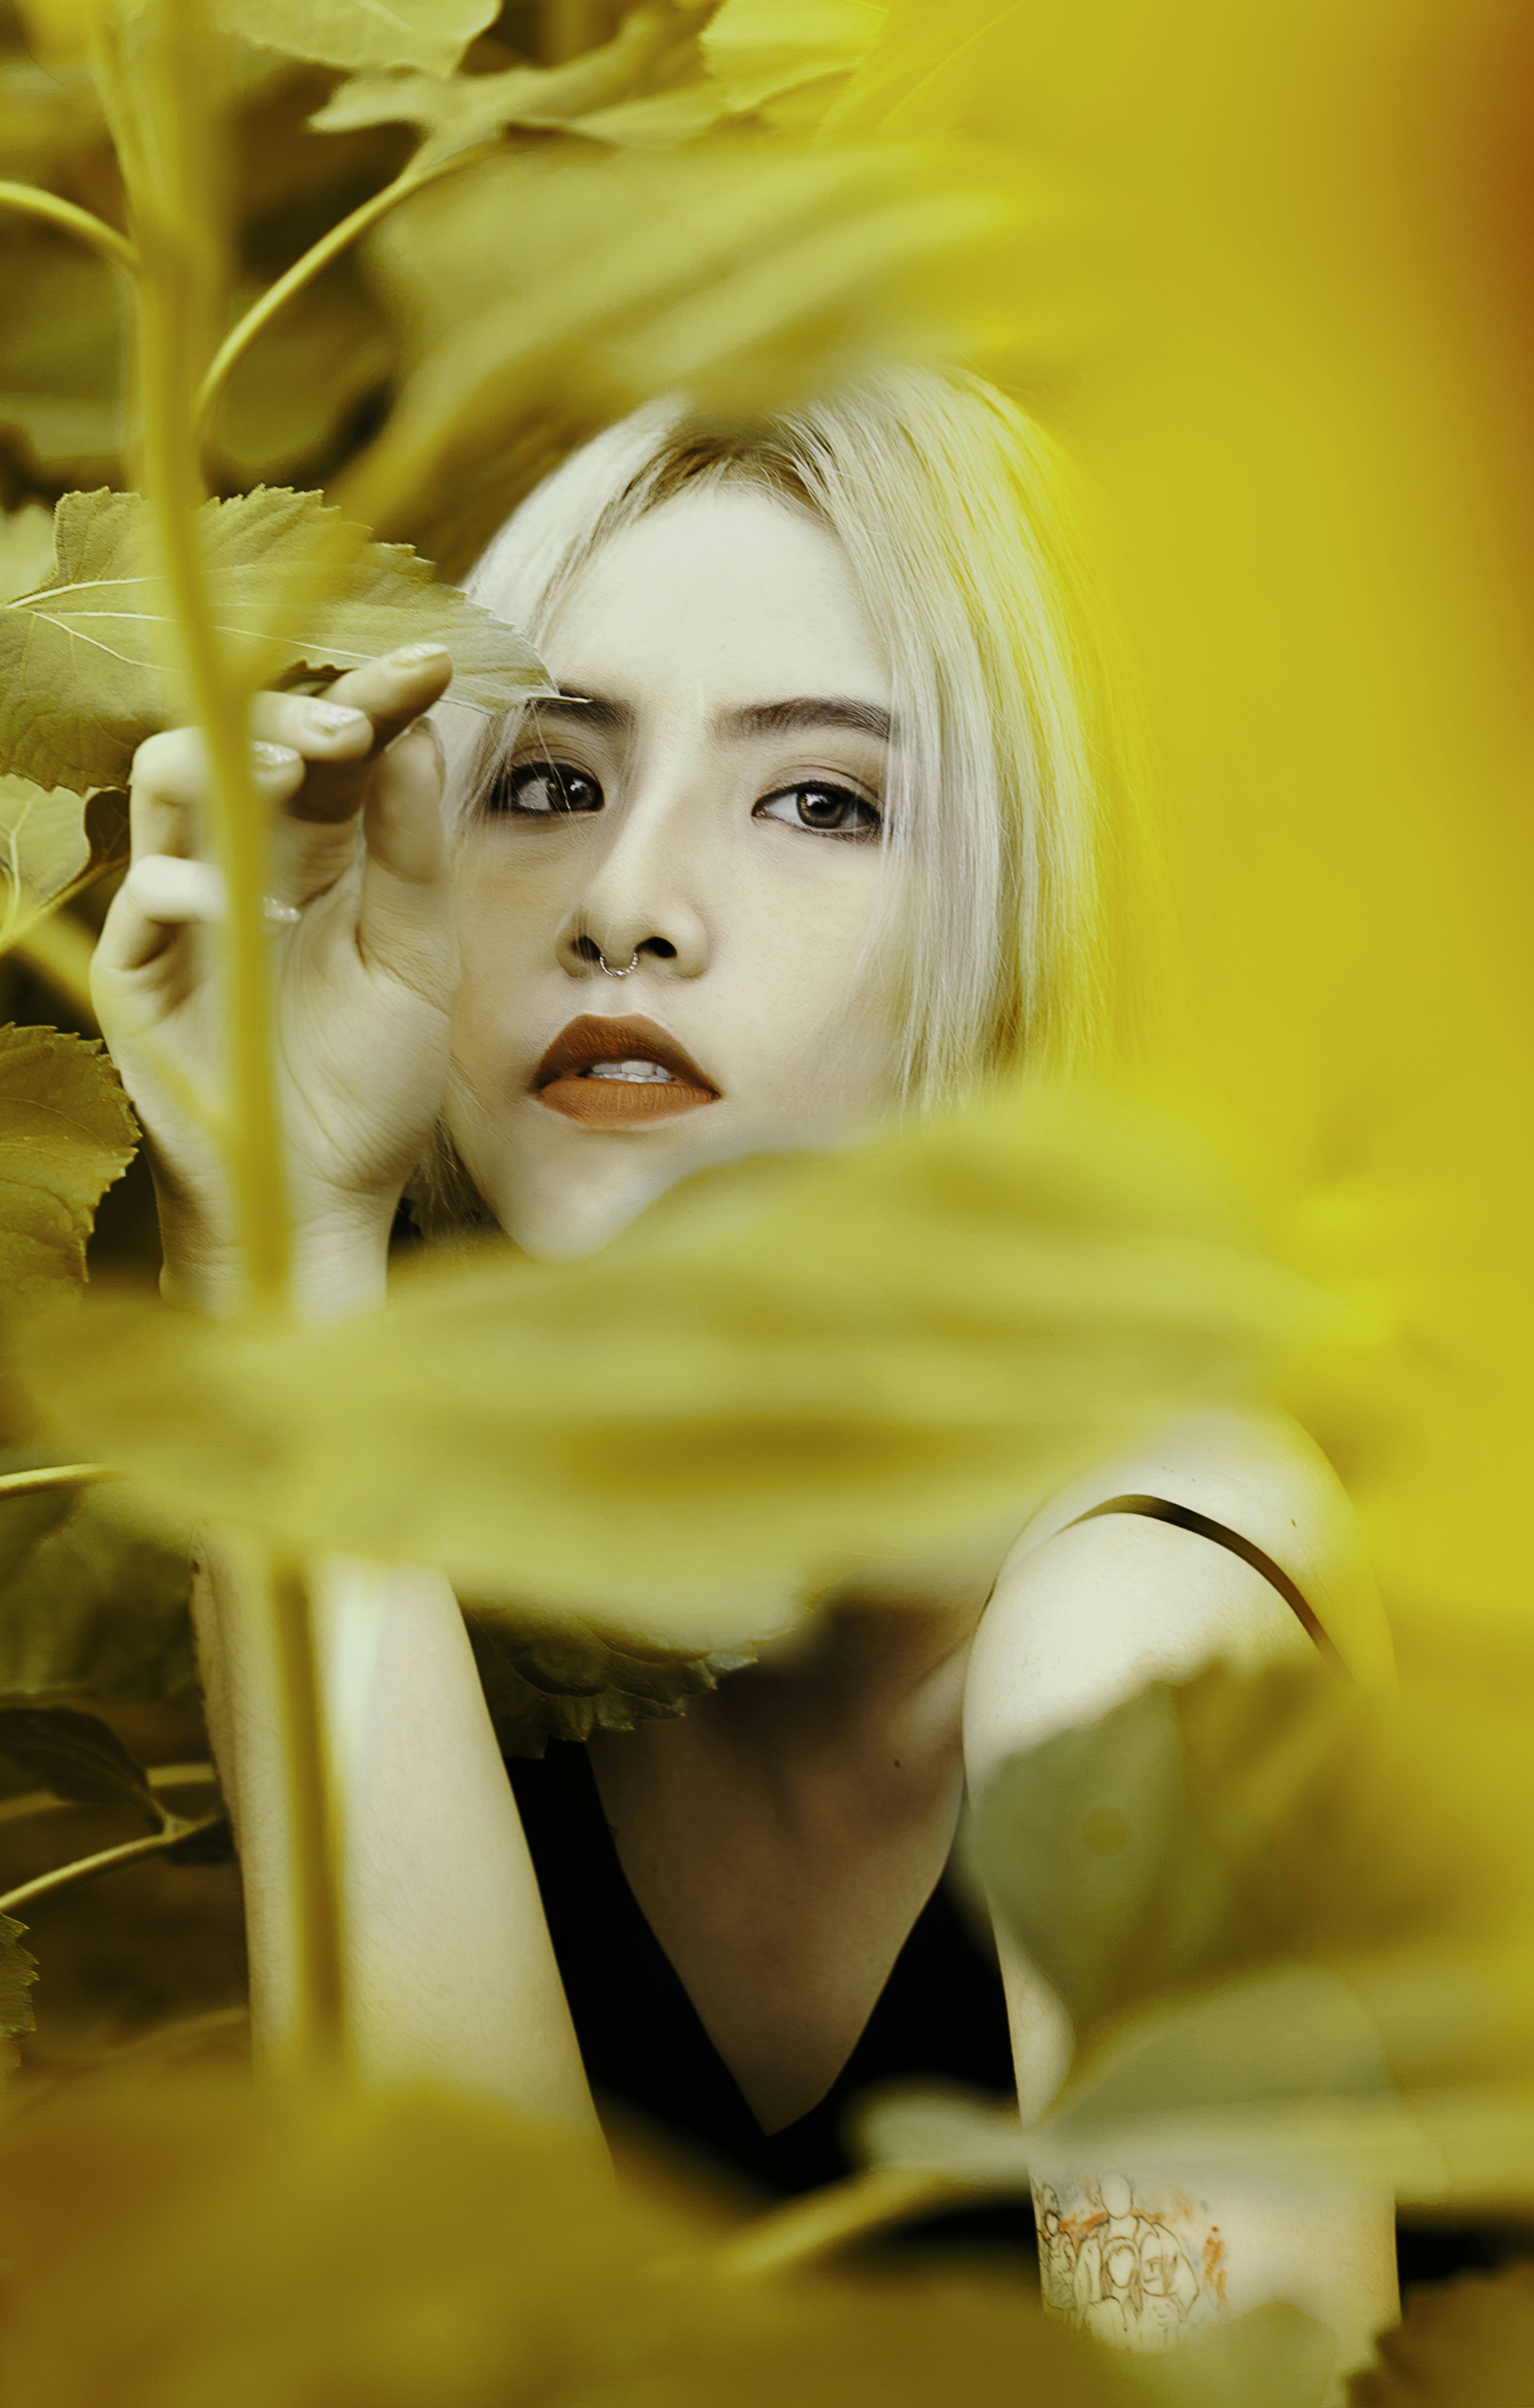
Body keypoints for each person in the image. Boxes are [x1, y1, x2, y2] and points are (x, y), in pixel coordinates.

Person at [91, 369, 1397, 2372]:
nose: (626, 904)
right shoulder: (476, 1601)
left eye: (821, 801)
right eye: (550, 782)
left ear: (1046, 913)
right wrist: (275, 1248)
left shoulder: (1144, 1624)